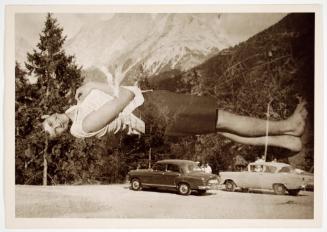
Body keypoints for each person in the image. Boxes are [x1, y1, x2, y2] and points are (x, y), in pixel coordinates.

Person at [42, 80, 307, 152]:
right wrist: (93, 85)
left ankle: (287, 141)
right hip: (153, 113)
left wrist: (82, 95)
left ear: (52, 113)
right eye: (53, 130)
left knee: (217, 128)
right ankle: (288, 125)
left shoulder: (73, 113)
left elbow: (71, 111)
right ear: (60, 136)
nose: (55, 124)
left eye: (50, 121)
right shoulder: (84, 125)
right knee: (220, 119)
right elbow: (124, 95)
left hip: (153, 113)